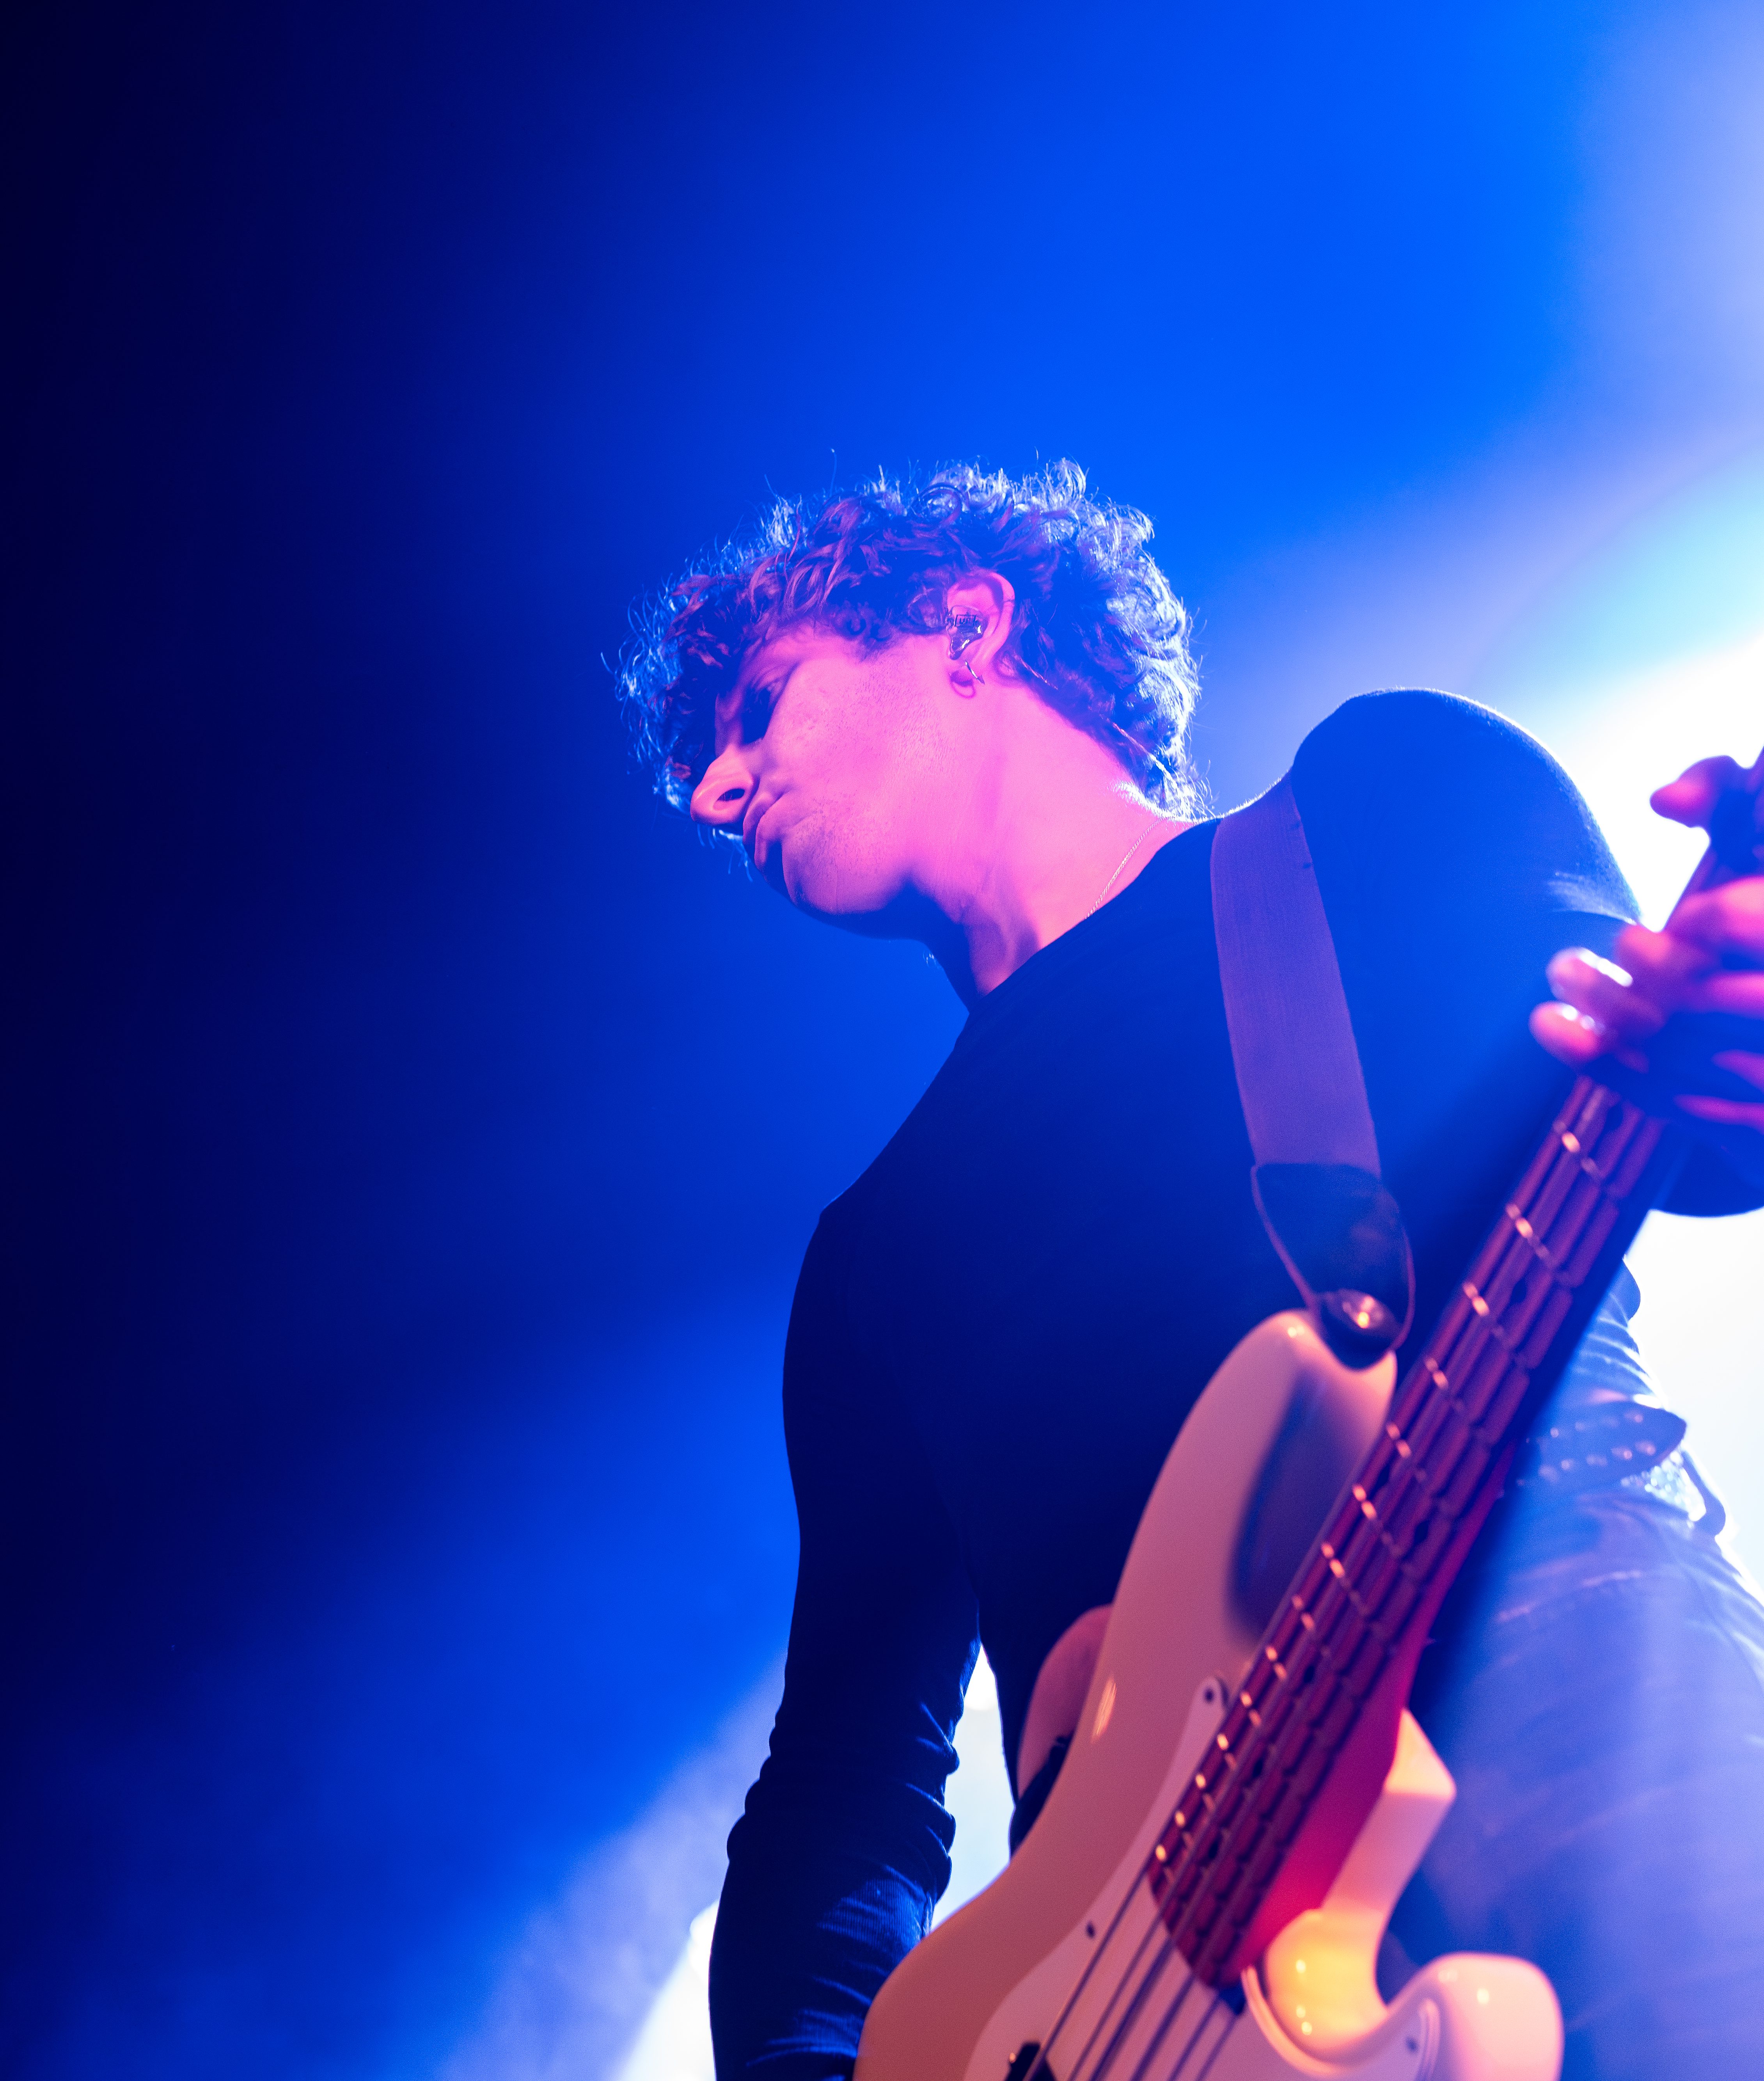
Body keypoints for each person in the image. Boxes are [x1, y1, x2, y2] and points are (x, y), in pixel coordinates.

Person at [617, 463, 1764, 2081]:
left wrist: (1732, 1044)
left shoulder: (1380, 798)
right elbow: (842, 1786)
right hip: (1129, 1991)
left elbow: (1669, 1104)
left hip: (1562, 1679)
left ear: (965, 624)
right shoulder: (869, 1254)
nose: (714, 793)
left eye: (755, 708)